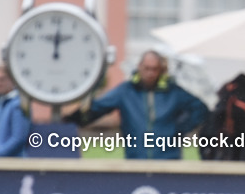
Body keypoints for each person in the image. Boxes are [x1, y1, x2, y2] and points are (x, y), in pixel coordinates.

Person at [67, 50, 208, 159]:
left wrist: (177, 129)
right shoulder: (126, 91)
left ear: (161, 70)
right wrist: (72, 120)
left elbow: (200, 109)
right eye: (147, 68)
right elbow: (98, 108)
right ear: (139, 67)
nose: (150, 73)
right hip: (136, 160)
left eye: (154, 69)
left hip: (167, 160)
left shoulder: (173, 92)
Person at [0, 64, 30, 157]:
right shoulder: (2, 101)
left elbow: (18, 139)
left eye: (2, 79)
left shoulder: (20, 103)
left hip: (14, 165)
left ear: (13, 80)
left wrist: (0, 153)